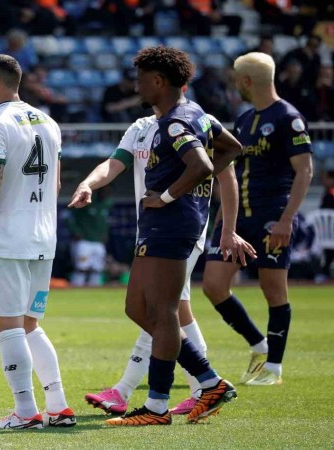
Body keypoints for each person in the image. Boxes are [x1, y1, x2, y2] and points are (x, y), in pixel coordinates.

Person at [72, 104, 254, 417]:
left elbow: (226, 176)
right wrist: (89, 183)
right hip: (151, 229)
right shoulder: (140, 127)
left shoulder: (199, 121)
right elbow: (113, 165)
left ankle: (132, 390)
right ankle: (203, 388)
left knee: (156, 309)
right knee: (173, 310)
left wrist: (228, 230)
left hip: (183, 230)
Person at [98, 47, 238, 426]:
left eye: (141, 80)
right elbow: (232, 148)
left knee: (163, 313)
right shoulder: (197, 115)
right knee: (139, 309)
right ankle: (209, 381)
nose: (137, 87)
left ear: (158, 81)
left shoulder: (174, 123)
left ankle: (157, 406)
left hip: (171, 224)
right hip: (167, 225)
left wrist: (168, 196)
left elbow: (202, 165)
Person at [0, 54, 74, 430]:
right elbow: (56, 183)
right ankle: (58, 406)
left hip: (6, 240)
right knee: (29, 325)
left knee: (8, 326)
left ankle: (25, 412)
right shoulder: (48, 121)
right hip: (43, 237)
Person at [202, 52, 314, 387]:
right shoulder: (244, 119)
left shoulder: (288, 117)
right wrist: (223, 220)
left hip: (272, 217)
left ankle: (274, 368)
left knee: (273, 289)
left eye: (237, 80)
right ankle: (259, 344)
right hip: (239, 218)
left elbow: (305, 171)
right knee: (213, 285)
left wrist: (287, 220)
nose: (235, 86)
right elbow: (232, 174)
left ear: (247, 81)